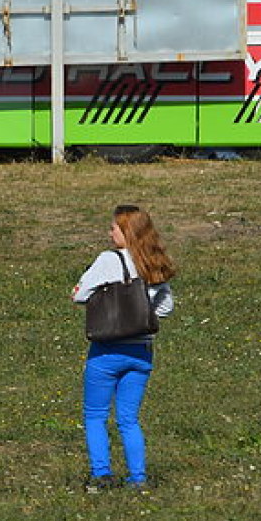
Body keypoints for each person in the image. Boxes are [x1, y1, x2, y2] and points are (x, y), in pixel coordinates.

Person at [72, 205, 176, 491]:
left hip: (107, 351)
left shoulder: (109, 260)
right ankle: (138, 478)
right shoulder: (153, 263)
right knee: (129, 419)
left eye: (114, 227)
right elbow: (166, 308)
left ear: (126, 231)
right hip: (141, 353)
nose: (110, 232)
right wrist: (142, 311)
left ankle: (101, 474)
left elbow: (80, 295)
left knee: (95, 415)